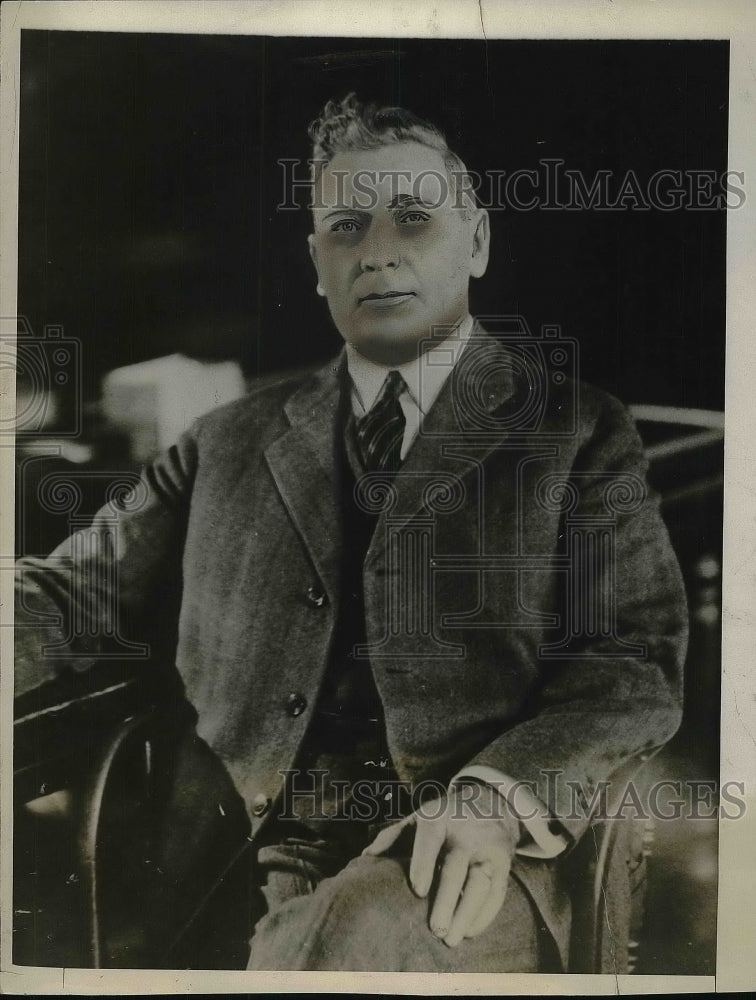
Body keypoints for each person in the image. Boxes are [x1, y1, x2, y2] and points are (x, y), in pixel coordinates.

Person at [14, 94, 688, 973]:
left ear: (476, 241)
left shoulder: (577, 431)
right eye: (347, 226)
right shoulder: (227, 439)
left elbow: (634, 660)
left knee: (347, 942)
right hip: (225, 868)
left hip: (458, 861)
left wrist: (492, 799)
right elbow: (72, 592)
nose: (378, 251)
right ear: (317, 264)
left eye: (414, 219)